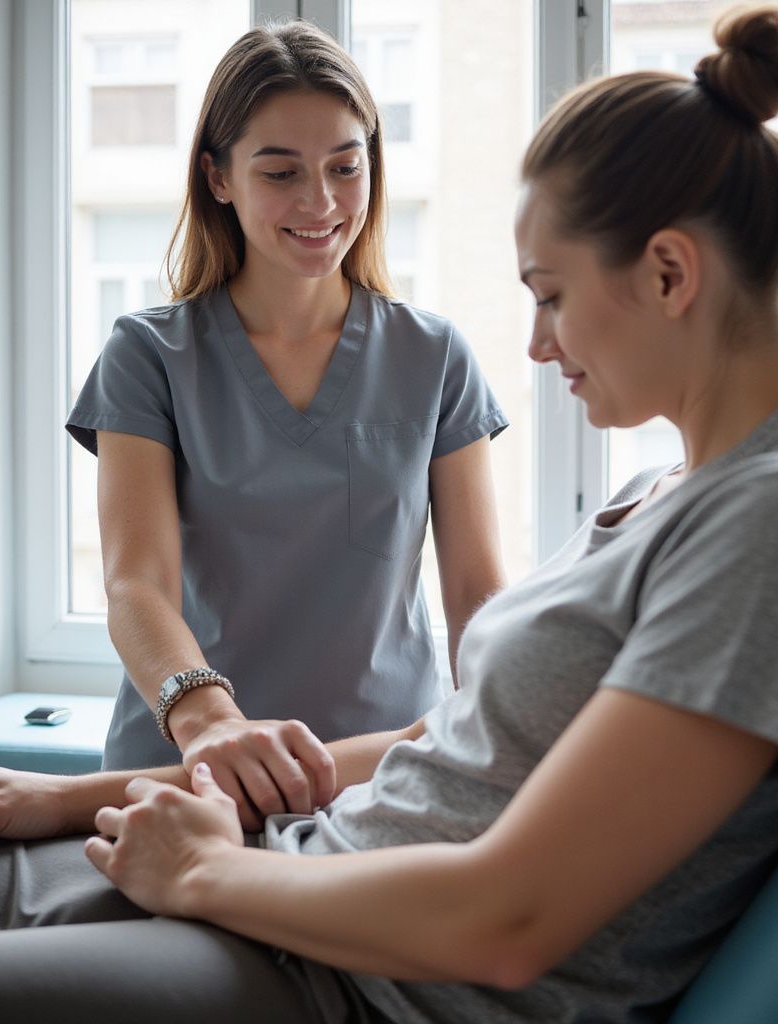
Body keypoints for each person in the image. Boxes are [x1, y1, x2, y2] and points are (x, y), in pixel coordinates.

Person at [0, 6, 778, 1023]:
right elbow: (454, 736)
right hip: (285, 864)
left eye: (550, 295)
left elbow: (508, 919)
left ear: (667, 272)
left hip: (346, 969)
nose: (534, 344)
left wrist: (202, 874)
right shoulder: (660, 498)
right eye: (280, 169)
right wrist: (75, 796)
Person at [63, 20, 508, 828]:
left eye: (346, 166)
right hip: (183, 774)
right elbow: (138, 583)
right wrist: (211, 728)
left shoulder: (434, 355)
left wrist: (497, 749)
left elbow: (477, 593)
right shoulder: (149, 354)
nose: (321, 202)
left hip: (380, 784)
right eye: (281, 171)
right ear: (219, 178)